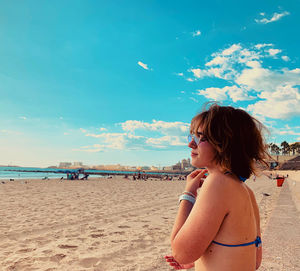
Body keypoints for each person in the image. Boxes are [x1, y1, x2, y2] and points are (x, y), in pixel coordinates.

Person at [165, 104, 268, 270]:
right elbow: (254, 260)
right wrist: (203, 257)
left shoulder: (217, 183)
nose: (191, 143)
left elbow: (181, 254)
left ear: (225, 144)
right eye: (192, 136)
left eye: (201, 137)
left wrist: (188, 194)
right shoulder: (245, 190)